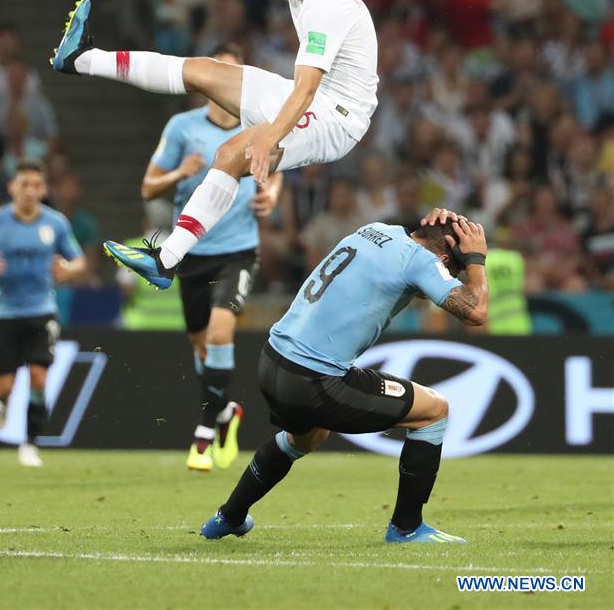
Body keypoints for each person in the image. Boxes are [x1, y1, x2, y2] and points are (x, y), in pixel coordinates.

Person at [50, 0, 378, 289]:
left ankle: (167, 259)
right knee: (204, 71)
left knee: (231, 153)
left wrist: (268, 139)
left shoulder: (326, 6)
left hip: (336, 119)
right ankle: (80, 59)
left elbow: (304, 91)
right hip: (315, 96)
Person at [199, 210, 489, 544]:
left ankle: (229, 516)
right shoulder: (420, 261)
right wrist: (475, 261)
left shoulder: (376, 229)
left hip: (273, 360)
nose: (448, 278)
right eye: (451, 270)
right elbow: (476, 312)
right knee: (434, 411)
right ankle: (406, 528)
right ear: (441, 258)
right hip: (314, 380)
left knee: (306, 438)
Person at [140, 42, 283, 472]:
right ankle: (225, 414)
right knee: (203, 349)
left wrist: (271, 196)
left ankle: (203, 434)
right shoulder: (182, 127)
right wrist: (179, 173)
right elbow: (148, 188)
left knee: (221, 334)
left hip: (238, 251)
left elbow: (277, 172)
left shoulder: (259, 124)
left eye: (234, 73)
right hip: (192, 254)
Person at [0, 160, 86, 467]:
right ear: (13, 187)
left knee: (39, 377)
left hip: (42, 311)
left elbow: (78, 261)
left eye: (37, 185)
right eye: (24, 184)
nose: (30, 191)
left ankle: (30, 443)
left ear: (44, 189)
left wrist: (68, 270)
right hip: (6, 313)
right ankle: (1, 402)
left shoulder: (56, 223)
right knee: (4, 385)